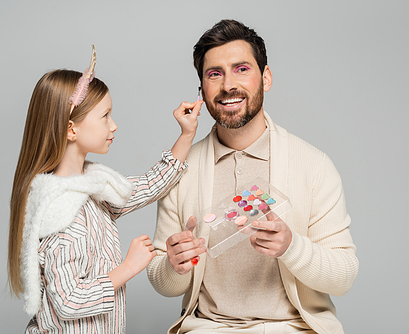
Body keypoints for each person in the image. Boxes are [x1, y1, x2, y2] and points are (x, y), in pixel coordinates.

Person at [147, 20, 359, 334]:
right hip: (209, 328)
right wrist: (174, 264)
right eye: (214, 74)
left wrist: (291, 247)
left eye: (242, 69)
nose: (228, 85)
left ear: (266, 77)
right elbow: (163, 280)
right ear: (202, 90)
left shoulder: (313, 165)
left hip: (293, 327)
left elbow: (343, 277)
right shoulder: (180, 171)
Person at [8, 47, 203, 334]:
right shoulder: (60, 213)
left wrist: (186, 134)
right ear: (71, 130)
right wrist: (128, 267)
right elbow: (68, 302)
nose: (114, 125)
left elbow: (149, 186)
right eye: (105, 116)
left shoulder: (93, 189)